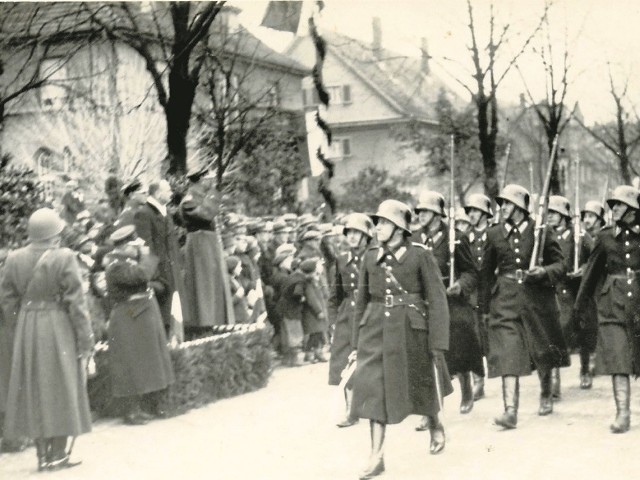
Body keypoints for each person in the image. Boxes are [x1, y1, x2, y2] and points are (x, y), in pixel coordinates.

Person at [350, 200, 452, 479]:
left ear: (397, 227)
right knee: (374, 389)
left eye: (382, 222)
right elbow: (361, 300)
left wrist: (438, 343)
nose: (377, 227)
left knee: (421, 383)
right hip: (376, 331)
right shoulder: (371, 256)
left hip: (411, 328)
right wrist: (355, 341)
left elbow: (437, 300)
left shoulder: (420, 256)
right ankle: (376, 456)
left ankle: (434, 423)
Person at [0, 208, 94, 471]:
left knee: (35, 390)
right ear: (55, 235)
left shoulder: (13, 258)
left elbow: (7, 302)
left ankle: (42, 455)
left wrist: (22, 327)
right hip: (58, 325)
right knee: (62, 388)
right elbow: (77, 304)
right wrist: (86, 342)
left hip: (27, 328)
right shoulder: (64, 257)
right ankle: (59, 454)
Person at [479, 184, 569, 429]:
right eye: (502, 204)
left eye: (507, 203)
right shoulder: (494, 233)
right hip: (505, 299)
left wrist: (544, 271)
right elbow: (485, 274)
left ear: (520, 206)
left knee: (541, 348)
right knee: (508, 352)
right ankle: (510, 411)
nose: (503, 208)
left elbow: (561, 266)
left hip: (536, 297)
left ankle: (545, 392)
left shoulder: (541, 231)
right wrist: (484, 308)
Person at [411, 190, 483, 422]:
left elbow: (471, 272)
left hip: (451, 301)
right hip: (425, 303)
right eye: (420, 211)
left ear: (437, 214)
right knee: (428, 355)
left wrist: (460, 285)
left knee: (458, 348)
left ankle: (466, 389)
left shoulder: (455, 238)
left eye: (427, 211)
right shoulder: (414, 239)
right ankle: (431, 410)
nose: (421, 215)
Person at [575, 185, 640, 433]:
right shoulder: (604, 236)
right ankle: (622, 413)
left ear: (633, 209)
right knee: (618, 355)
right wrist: (579, 307)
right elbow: (591, 274)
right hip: (612, 303)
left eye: (620, 205)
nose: (614, 209)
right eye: (613, 205)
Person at [104, 225, 175, 425]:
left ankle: (150, 405)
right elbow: (142, 275)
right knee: (132, 364)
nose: (139, 249)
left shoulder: (127, 262)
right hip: (129, 316)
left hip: (141, 314)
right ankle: (132, 411)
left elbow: (149, 278)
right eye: (134, 245)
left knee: (150, 361)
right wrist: (146, 255)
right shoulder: (115, 265)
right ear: (124, 246)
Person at [328, 213, 373, 428]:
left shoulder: (374, 257)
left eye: (357, 233)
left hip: (370, 312)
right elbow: (334, 294)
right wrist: (332, 320)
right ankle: (351, 411)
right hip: (348, 313)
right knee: (344, 360)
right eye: (350, 233)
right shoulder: (342, 260)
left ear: (366, 236)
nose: (353, 237)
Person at [178, 168, 234, 336]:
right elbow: (206, 214)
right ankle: (205, 323)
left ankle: (215, 322)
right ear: (200, 180)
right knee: (205, 287)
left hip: (207, 245)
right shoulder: (189, 201)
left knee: (213, 285)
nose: (209, 181)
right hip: (200, 246)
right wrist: (215, 193)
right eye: (207, 178)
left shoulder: (200, 198)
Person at [546, 195, 590, 398]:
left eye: (554, 213)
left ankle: (585, 368)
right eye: (549, 213)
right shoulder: (545, 236)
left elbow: (595, 257)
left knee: (579, 328)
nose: (551, 217)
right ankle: (554, 378)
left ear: (564, 215)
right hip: (552, 288)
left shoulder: (577, 236)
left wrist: (583, 268)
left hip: (573, 289)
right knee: (551, 332)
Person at [134, 179, 185, 337]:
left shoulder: (165, 212)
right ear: (157, 193)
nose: (171, 193)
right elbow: (146, 249)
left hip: (172, 271)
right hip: (161, 275)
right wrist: (156, 277)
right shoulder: (144, 213)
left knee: (174, 317)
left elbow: (172, 244)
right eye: (168, 190)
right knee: (163, 320)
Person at [463, 193, 493, 400]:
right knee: (473, 338)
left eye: (475, 210)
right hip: (473, 294)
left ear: (485, 213)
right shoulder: (466, 237)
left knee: (491, 335)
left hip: (492, 291)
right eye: (470, 211)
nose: (471, 214)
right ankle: (478, 381)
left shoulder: (495, 235)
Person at [575, 200, 606, 388]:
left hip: (603, 287)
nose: (587, 220)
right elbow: (579, 261)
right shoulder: (581, 240)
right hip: (586, 290)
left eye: (591, 216)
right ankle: (585, 368)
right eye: (585, 216)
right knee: (585, 328)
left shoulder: (606, 237)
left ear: (599, 219)